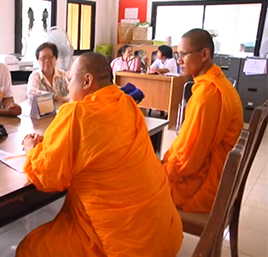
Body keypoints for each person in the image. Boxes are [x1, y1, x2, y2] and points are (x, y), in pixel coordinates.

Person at [16, 52, 183, 257]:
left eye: (71, 80)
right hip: (165, 233)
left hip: (125, 246)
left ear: (87, 80)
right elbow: (98, 147)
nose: (68, 87)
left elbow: (47, 176)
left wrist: (31, 148)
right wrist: (53, 144)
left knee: (29, 248)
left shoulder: (77, 113)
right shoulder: (127, 103)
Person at [163, 28, 243, 213]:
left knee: (139, 189)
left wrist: (165, 170)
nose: (179, 61)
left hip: (207, 186)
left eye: (184, 54)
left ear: (204, 54)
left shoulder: (207, 93)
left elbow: (189, 159)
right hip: (219, 177)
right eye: (177, 55)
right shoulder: (220, 83)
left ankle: (156, 239)